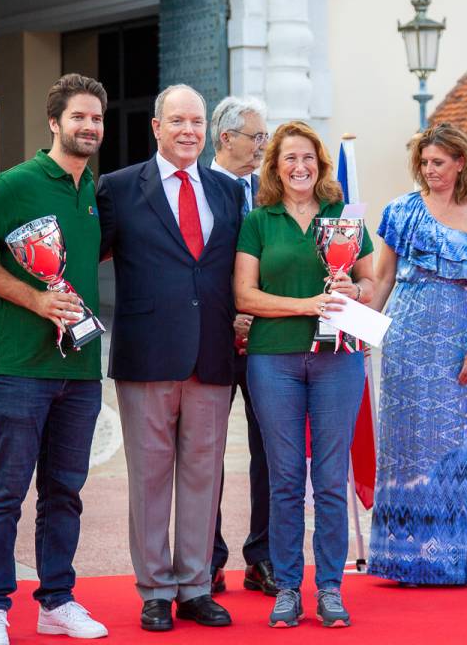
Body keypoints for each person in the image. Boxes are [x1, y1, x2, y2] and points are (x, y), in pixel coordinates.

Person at [0, 74, 110, 644]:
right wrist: (36, 299)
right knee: (6, 492)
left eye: (96, 118)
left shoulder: (96, 191)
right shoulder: (15, 183)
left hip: (80, 369)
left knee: (64, 492)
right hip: (18, 365)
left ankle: (56, 601)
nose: (89, 126)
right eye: (78, 117)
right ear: (54, 122)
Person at [96, 84, 244, 632]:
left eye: (198, 122)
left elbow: (233, 269)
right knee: (151, 478)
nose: (189, 131)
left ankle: (196, 586)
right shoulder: (116, 188)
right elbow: (88, 255)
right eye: (178, 121)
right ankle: (155, 589)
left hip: (211, 354)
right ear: (155, 128)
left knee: (205, 477)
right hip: (146, 355)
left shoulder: (227, 193)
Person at [234, 120, 375, 628]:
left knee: (332, 479)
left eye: (309, 158)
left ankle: (331, 588)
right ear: (274, 166)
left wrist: (352, 292)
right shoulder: (259, 220)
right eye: (290, 158)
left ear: (321, 165)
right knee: (287, 478)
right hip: (273, 360)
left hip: (339, 359)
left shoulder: (344, 214)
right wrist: (306, 304)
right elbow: (244, 296)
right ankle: (289, 587)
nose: (300, 166)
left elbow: (371, 281)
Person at [368, 123, 467, 586]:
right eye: (424, 163)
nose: (430, 170)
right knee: (406, 449)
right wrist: (360, 327)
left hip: (459, 352)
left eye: (439, 162)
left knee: (452, 451)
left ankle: (453, 559)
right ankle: (401, 559)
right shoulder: (400, 211)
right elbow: (382, 279)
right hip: (406, 346)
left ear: (460, 162)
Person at [207, 95, 277, 597]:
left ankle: (264, 557)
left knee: (272, 451)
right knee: (203, 454)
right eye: (257, 137)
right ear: (226, 138)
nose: (263, 146)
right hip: (209, 340)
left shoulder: (269, 193)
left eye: (265, 137)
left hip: (268, 342)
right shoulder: (195, 188)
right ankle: (203, 558)